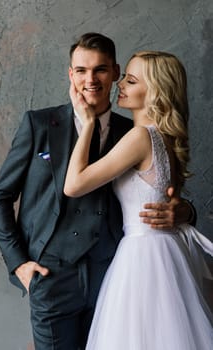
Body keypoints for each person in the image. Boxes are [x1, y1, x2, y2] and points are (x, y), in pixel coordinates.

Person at [0, 33, 194, 350]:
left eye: (100, 70)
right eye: (81, 70)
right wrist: (19, 264)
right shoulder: (39, 124)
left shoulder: (134, 131)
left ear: (114, 72)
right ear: (71, 74)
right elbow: (0, 196)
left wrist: (185, 211)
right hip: (52, 277)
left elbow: (157, 191)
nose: (90, 79)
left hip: (114, 277)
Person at [64, 50, 213, 349]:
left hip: (143, 255)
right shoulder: (164, 137)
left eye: (131, 81)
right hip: (166, 249)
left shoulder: (140, 138)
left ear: (155, 92)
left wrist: (88, 122)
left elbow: (74, 185)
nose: (120, 84)